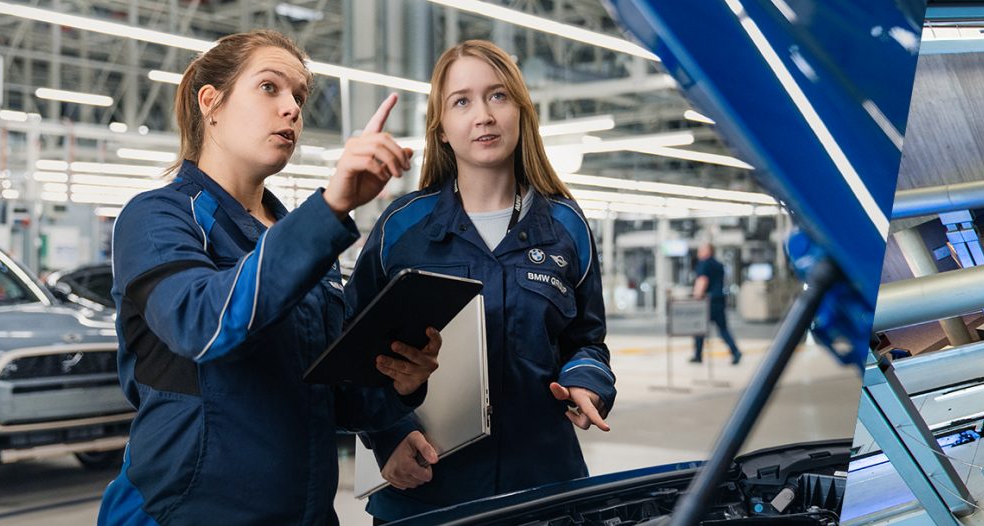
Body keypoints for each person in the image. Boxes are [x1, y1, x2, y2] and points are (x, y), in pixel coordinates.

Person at [101, 30, 440, 525]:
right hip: (181, 510)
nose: (293, 109)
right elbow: (202, 322)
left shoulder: (307, 241)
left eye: (299, 97)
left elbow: (332, 393)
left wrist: (398, 393)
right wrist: (328, 209)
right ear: (210, 103)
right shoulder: (157, 217)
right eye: (270, 88)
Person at [351, 40, 615, 522]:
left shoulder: (567, 227)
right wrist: (387, 436)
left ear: (520, 113)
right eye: (462, 101)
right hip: (427, 496)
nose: (484, 115)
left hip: (542, 492)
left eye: (498, 96)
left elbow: (588, 342)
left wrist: (586, 382)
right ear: (443, 130)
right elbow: (352, 353)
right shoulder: (402, 229)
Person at [691, 242, 742, 365]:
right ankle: (735, 352)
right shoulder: (719, 265)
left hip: (707, 301)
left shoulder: (704, 264)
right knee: (723, 329)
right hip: (719, 300)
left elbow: (702, 280)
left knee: (699, 328)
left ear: (708, 251)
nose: (699, 252)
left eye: (701, 249)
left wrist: (696, 297)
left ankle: (698, 355)